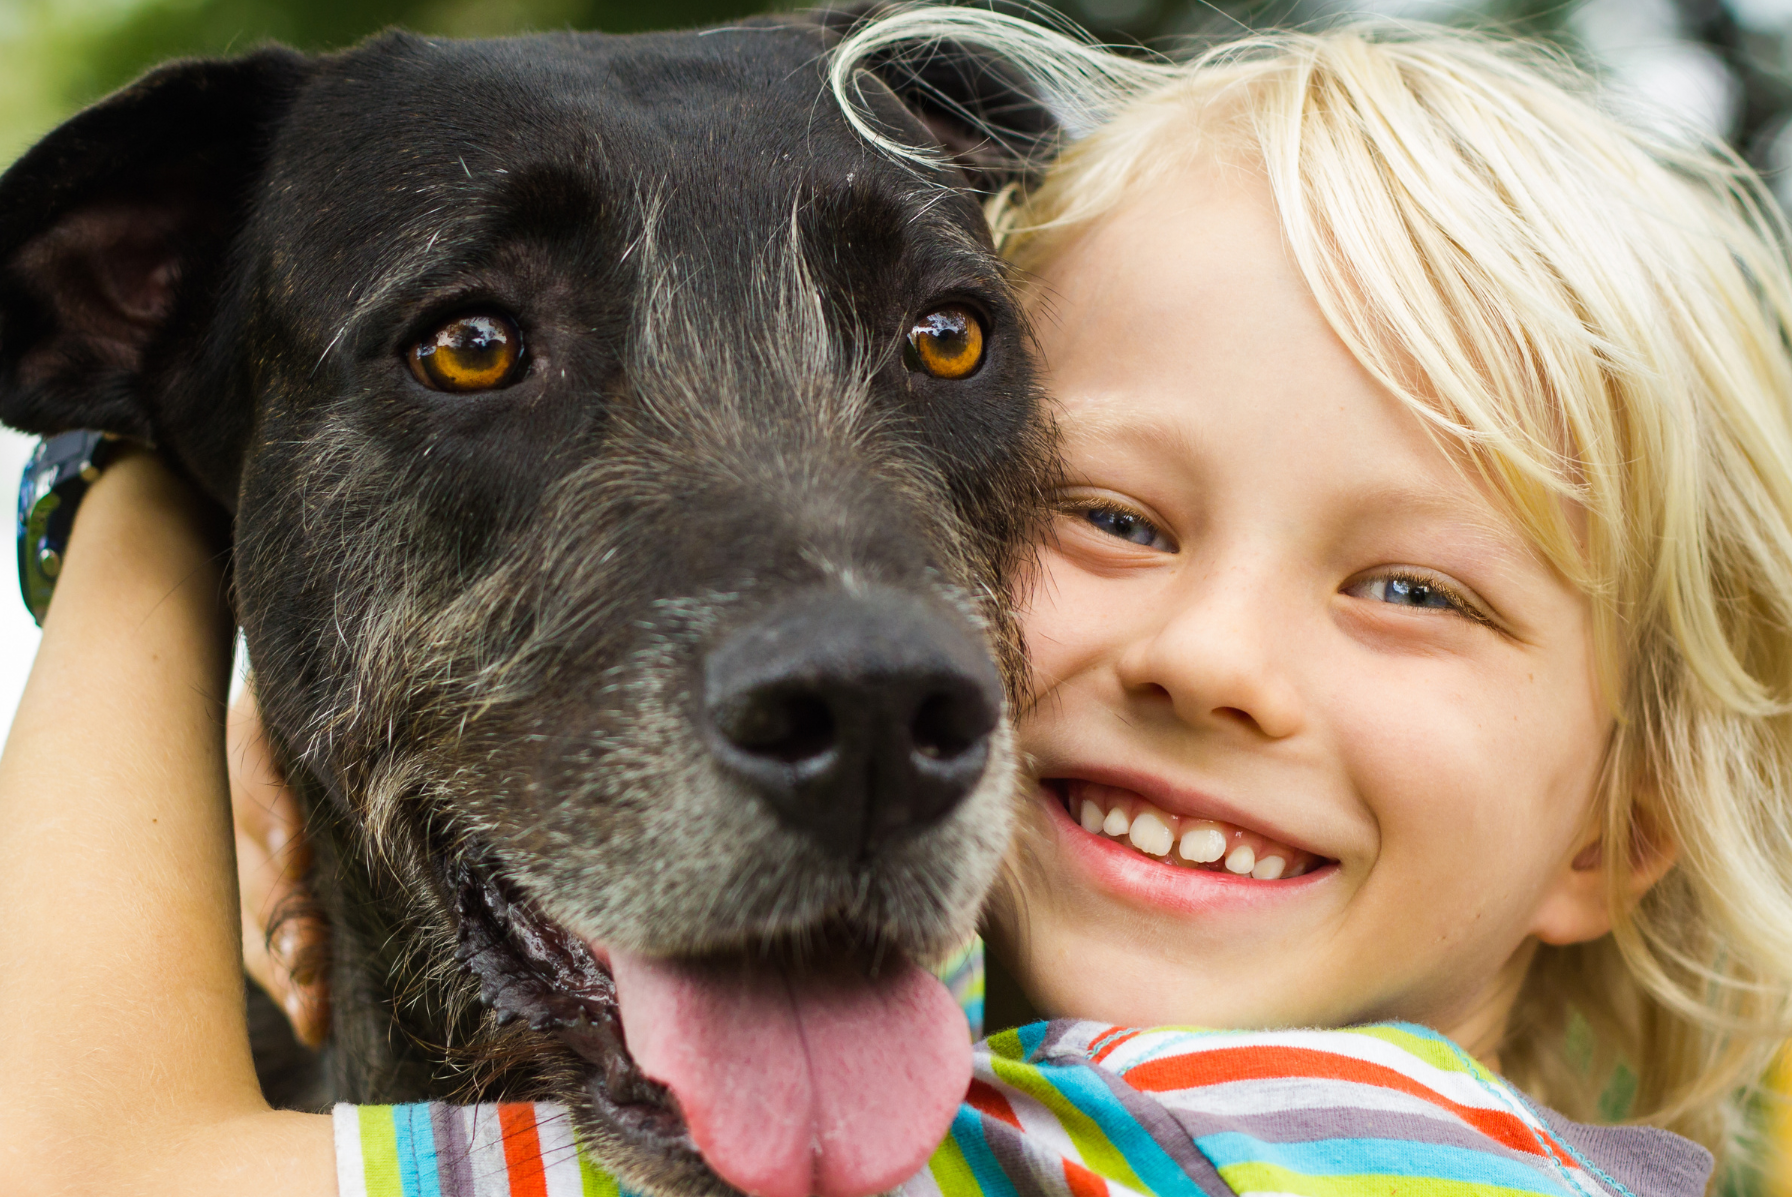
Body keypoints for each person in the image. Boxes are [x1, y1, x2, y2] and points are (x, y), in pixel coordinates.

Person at [6, 11, 1792, 1195]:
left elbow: (90, 1155)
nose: (1216, 661)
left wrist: (138, 510)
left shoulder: (1341, 1151)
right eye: (1118, 517)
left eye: (941, 345)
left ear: (1619, 825)